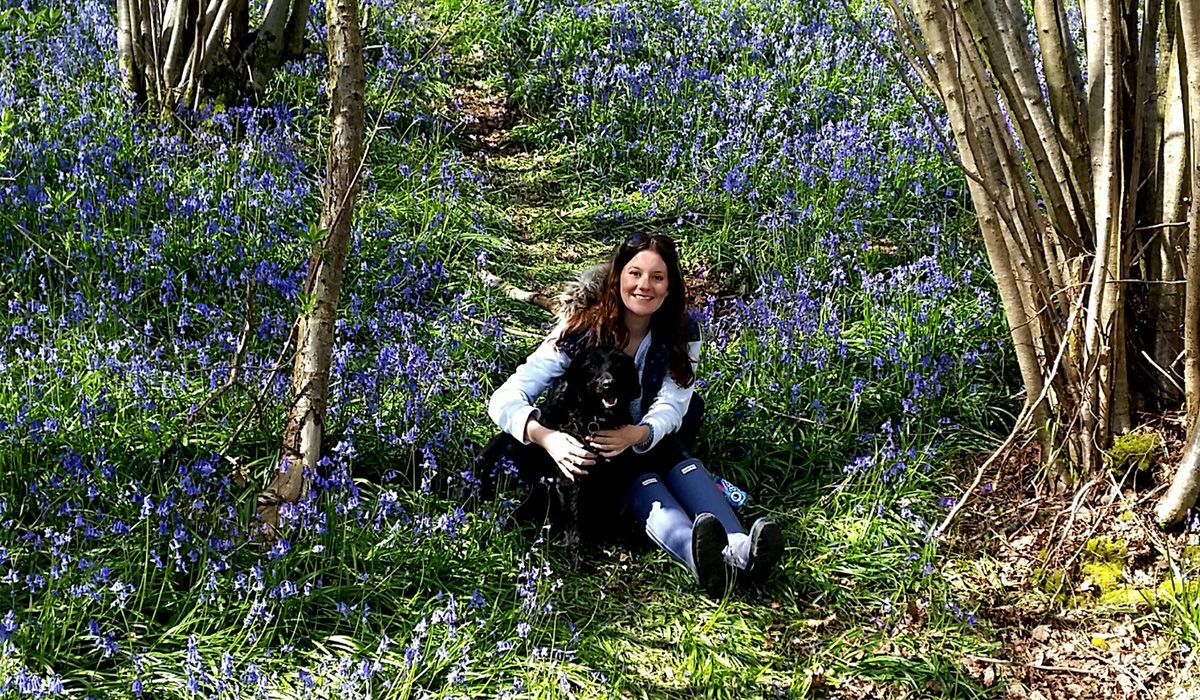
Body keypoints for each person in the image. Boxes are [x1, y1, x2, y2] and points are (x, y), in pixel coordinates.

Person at [487, 232, 783, 596]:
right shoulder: (580, 327)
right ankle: (701, 560)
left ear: (670, 286)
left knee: (678, 460)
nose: (645, 286)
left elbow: (675, 402)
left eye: (657, 277)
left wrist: (639, 433)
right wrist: (546, 438)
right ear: (617, 277)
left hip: (649, 435)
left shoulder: (682, 331)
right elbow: (504, 399)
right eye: (635, 274)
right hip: (598, 442)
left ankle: (741, 548)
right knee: (641, 481)